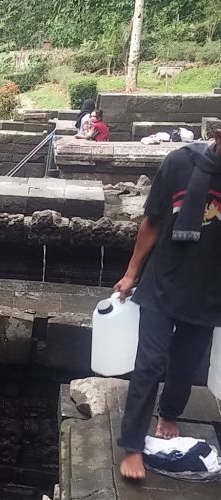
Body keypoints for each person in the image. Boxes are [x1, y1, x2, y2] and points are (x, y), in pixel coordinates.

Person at [114, 135, 221, 480]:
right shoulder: (178, 163)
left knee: (188, 363)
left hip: (209, 292)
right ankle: (132, 446)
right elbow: (153, 221)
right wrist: (132, 273)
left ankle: (169, 414)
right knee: (151, 362)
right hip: (163, 283)